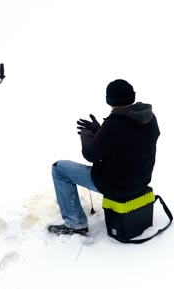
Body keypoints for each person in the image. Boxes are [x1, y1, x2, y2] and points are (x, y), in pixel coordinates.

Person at [48, 79, 160, 235]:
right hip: (140, 182)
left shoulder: (115, 124)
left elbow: (90, 154)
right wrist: (99, 130)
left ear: (110, 100)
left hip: (115, 186)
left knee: (59, 169)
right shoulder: (149, 118)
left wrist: (86, 134)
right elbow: (127, 142)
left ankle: (76, 224)